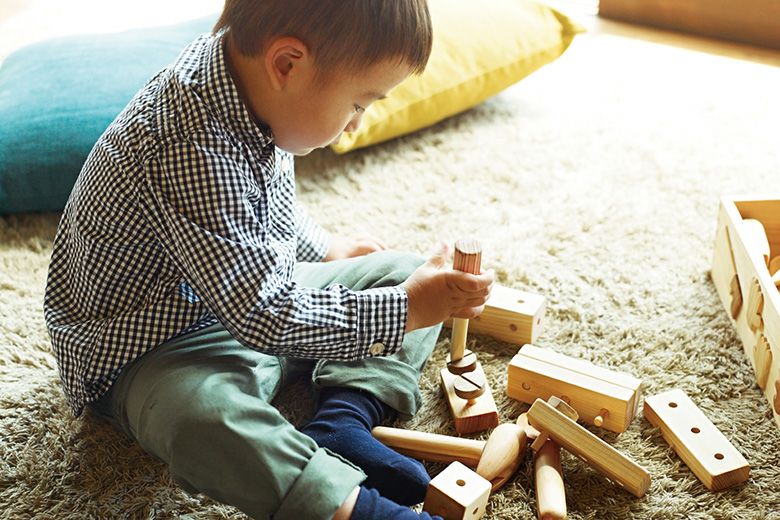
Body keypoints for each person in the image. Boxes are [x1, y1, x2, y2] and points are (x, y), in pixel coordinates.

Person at [43, 1, 495, 518]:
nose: (355, 125)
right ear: (287, 65)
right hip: (153, 350)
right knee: (204, 421)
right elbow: (265, 314)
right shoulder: (186, 142)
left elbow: (258, 206)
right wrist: (410, 310)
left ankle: (343, 420)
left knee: (404, 273)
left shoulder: (248, 88)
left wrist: (326, 249)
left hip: (246, 294)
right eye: (357, 104)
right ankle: (353, 507)